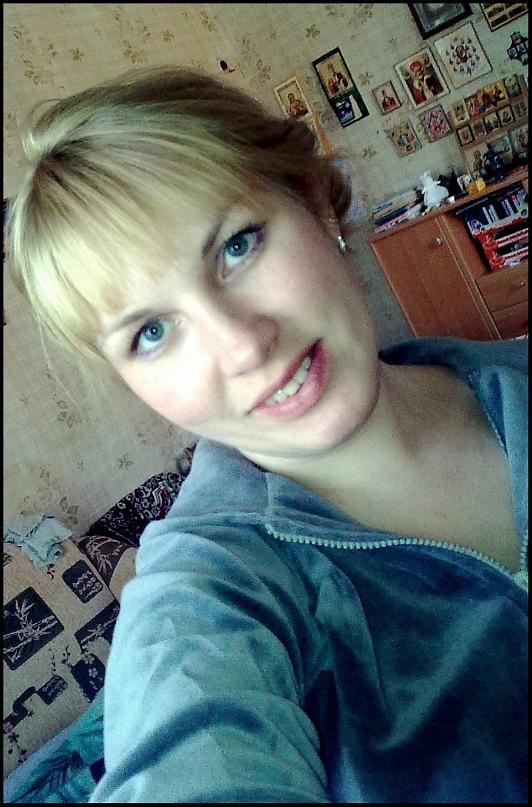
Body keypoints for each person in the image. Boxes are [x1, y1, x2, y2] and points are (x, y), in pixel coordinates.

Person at [7, 65, 528, 803]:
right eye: (151, 332)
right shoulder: (210, 596)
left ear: (313, 201)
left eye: (237, 246)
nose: (243, 346)